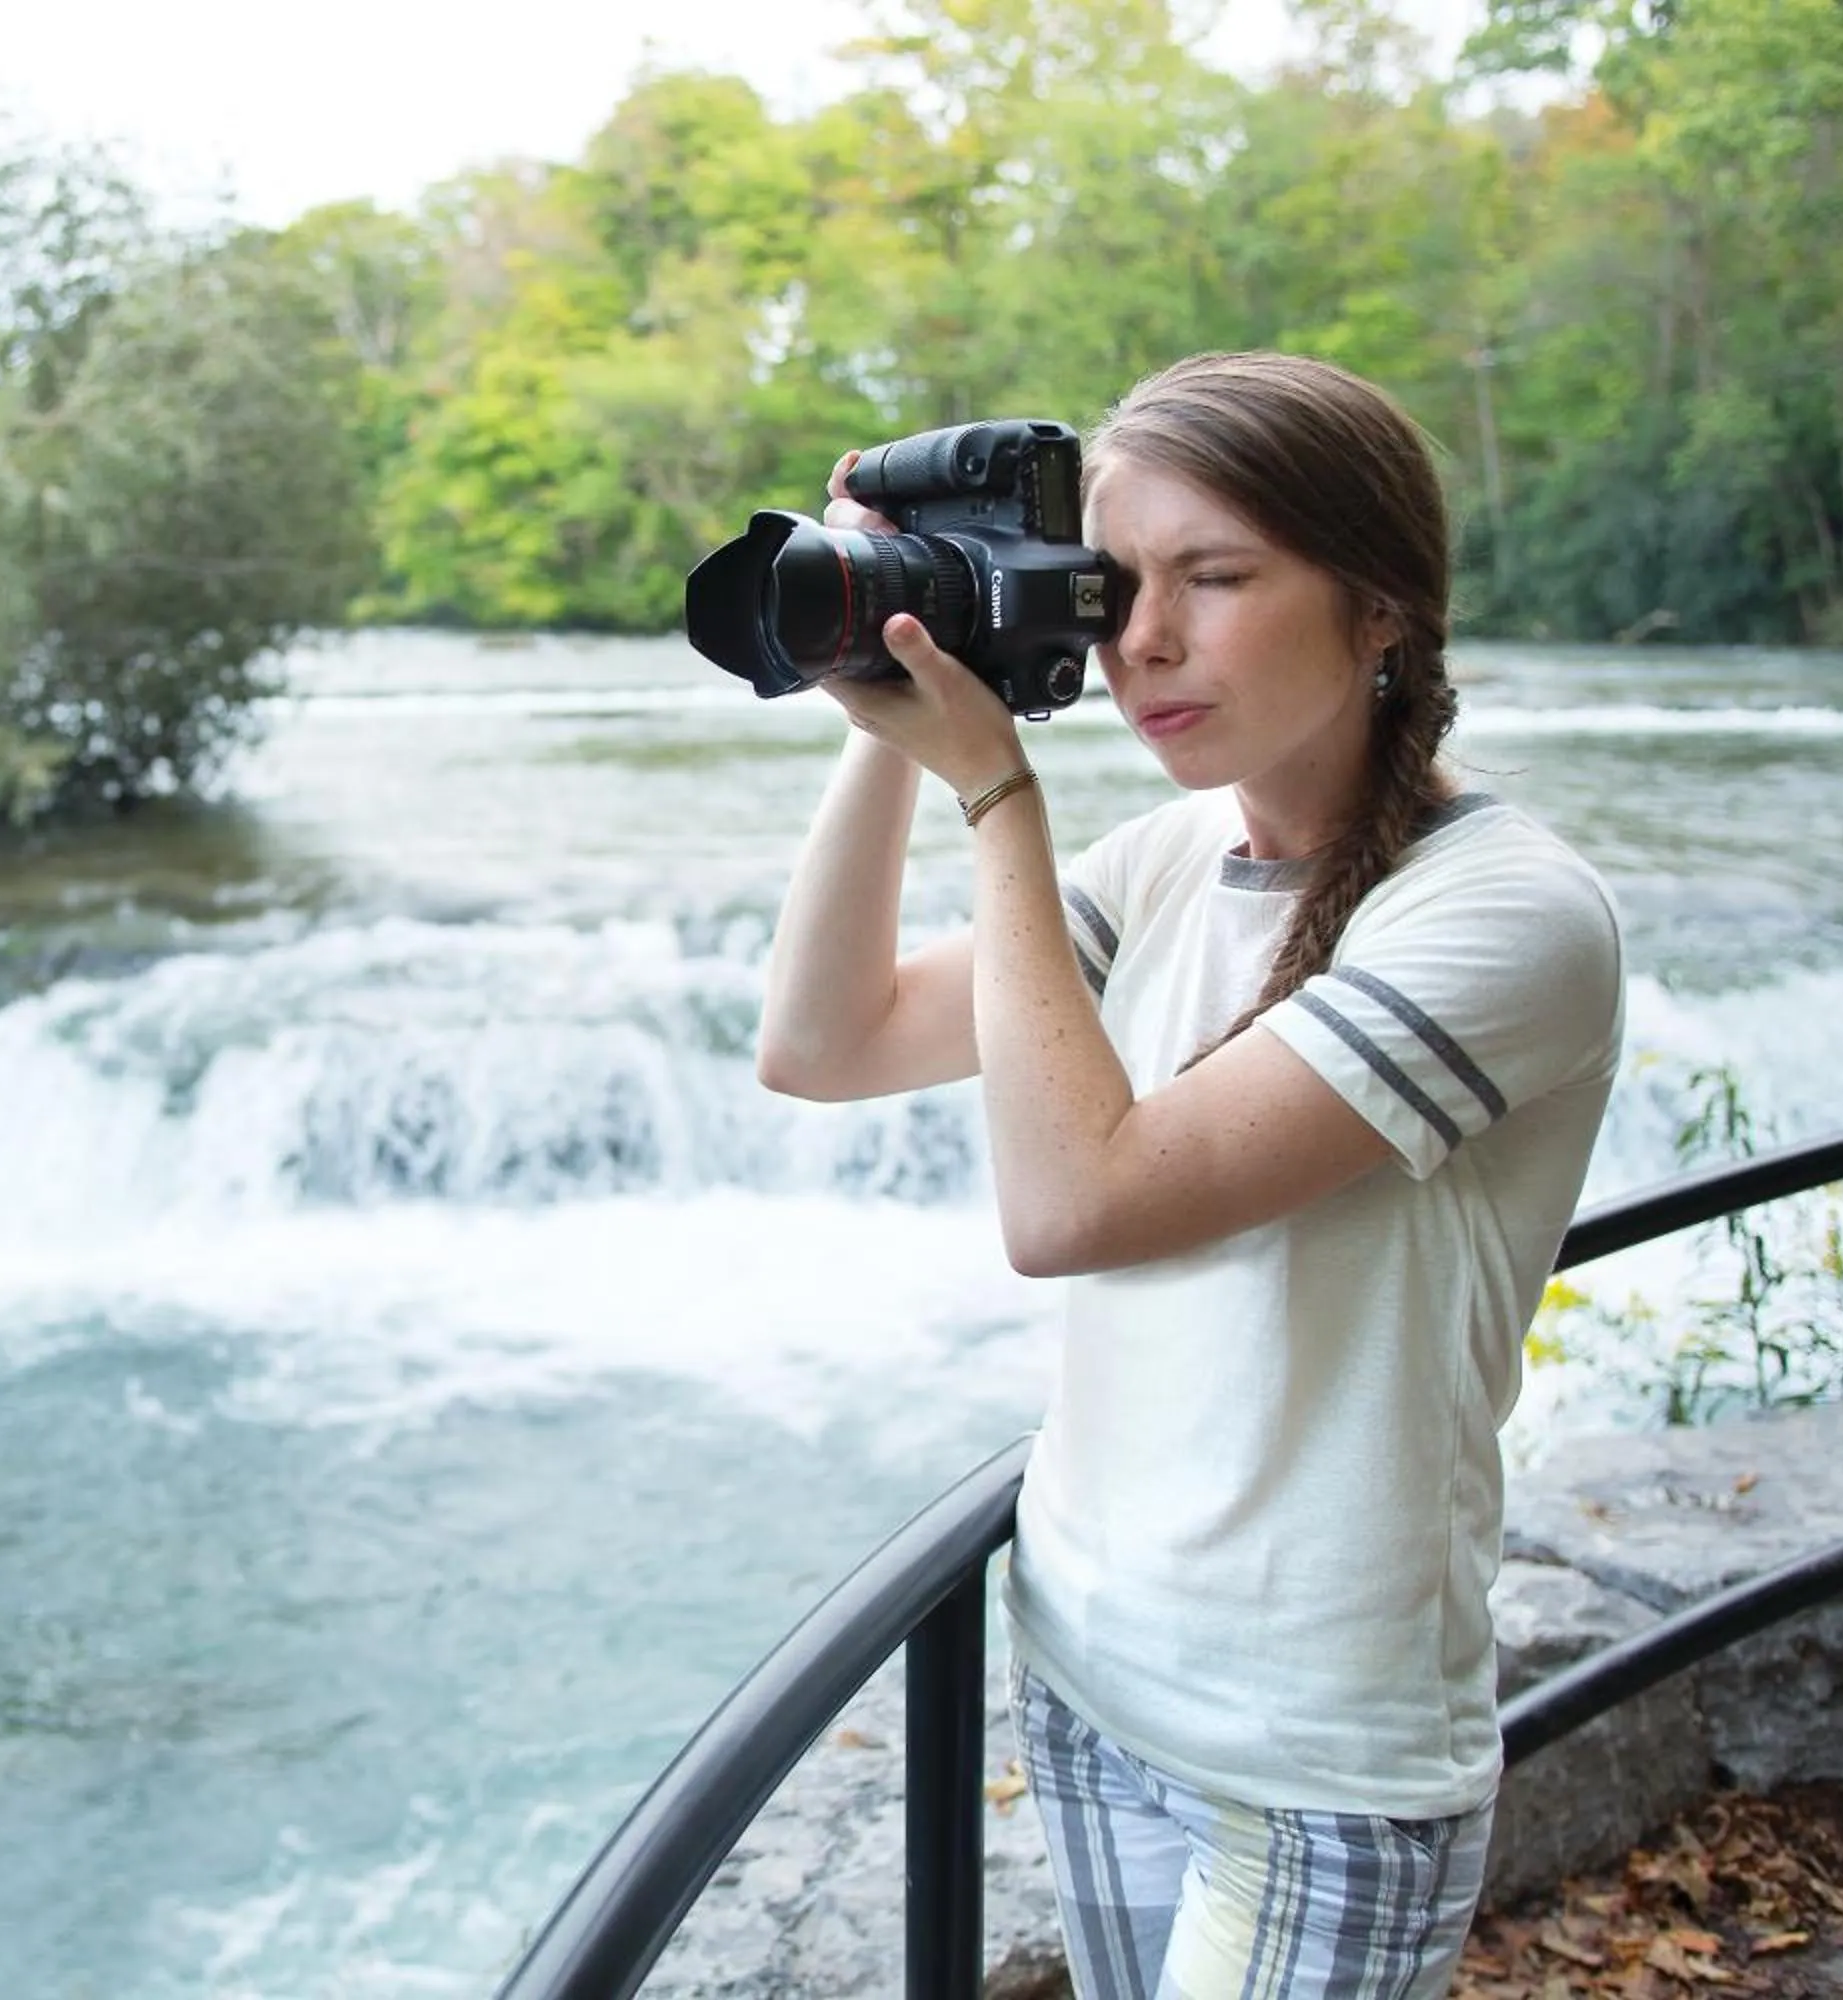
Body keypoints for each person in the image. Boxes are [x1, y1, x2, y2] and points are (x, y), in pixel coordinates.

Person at [754, 351, 1626, 1999]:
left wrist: (999, 794)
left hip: (1315, 1747)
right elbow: (826, 1039)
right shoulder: (1173, 859)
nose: (1140, 640)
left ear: (1379, 609)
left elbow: (1078, 1205)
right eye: (1118, 583)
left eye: (1214, 580)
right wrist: (892, 683)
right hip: (1092, 1669)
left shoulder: (1505, 914)